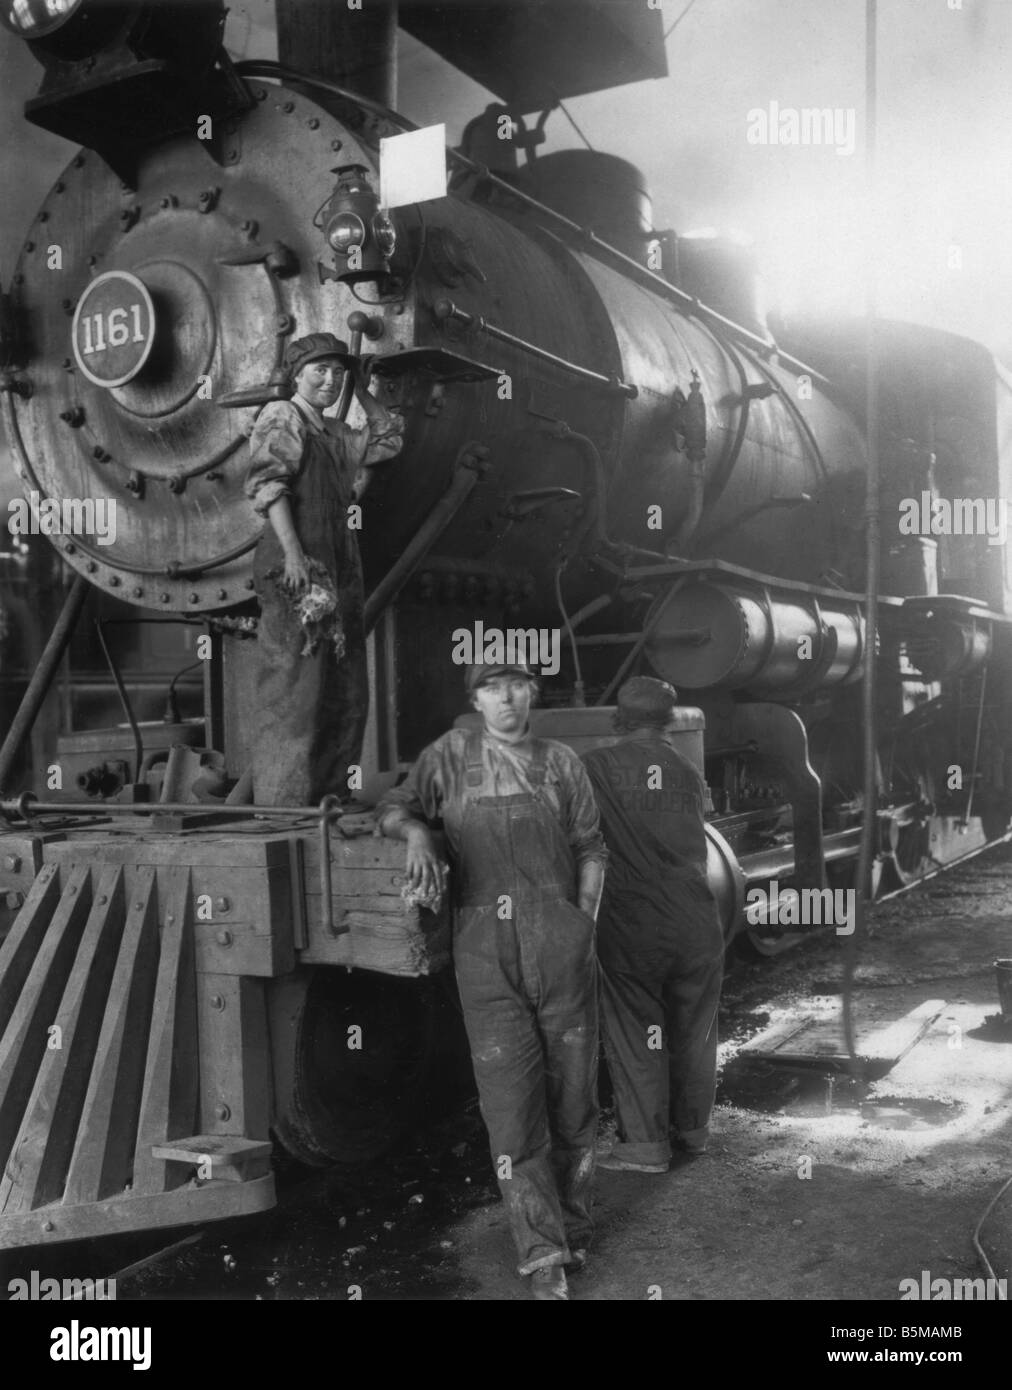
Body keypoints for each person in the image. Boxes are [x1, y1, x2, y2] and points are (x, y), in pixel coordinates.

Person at [376, 663, 608, 1300]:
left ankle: (571, 1225)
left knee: (574, 1099)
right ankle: (542, 1254)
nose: (506, 697)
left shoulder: (561, 762)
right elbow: (393, 807)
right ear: (475, 699)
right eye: (492, 686)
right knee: (511, 1109)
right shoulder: (449, 757)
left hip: (562, 945)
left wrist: (582, 923)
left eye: (517, 684)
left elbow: (591, 845)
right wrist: (420, 831)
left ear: (532, 693)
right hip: (485, 950)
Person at [245, 333, 403, 805]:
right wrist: (294, 554)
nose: (330, 380)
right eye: (321, 371)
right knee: (295, 685)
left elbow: (387, 442)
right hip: (297, 558)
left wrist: (365, 389)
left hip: (338, 557)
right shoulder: (282, 416)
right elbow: (269, 487)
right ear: (297, 374)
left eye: (338, 372)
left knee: (345, 682)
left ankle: (330, 794)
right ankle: (285, 803)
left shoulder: (332, 432)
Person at [581, 676, 724, 1173]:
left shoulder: (594, 767)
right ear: (668, 718)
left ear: (619, 718)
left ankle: (644, 1149)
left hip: (633, 923)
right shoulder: (685, 769)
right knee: (694, 1029)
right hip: (697, 919)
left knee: (640, 1031)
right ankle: (694, 1131)